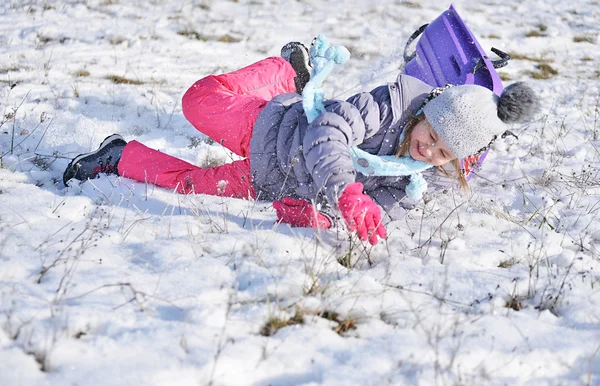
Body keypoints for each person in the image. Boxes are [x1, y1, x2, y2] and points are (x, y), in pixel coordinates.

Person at [62, 41, 539, 245]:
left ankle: (118, 156)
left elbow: (380, 207)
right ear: (426, 113)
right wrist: (348, 193)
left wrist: (321, 213)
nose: (428, 152)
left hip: (270, 180)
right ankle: (286, 72)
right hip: (272, 128)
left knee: (189, 186)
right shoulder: (387, 104)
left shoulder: (419, 177)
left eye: (442, 153)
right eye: (430, 136)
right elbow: (326, 134)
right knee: (197, 102)